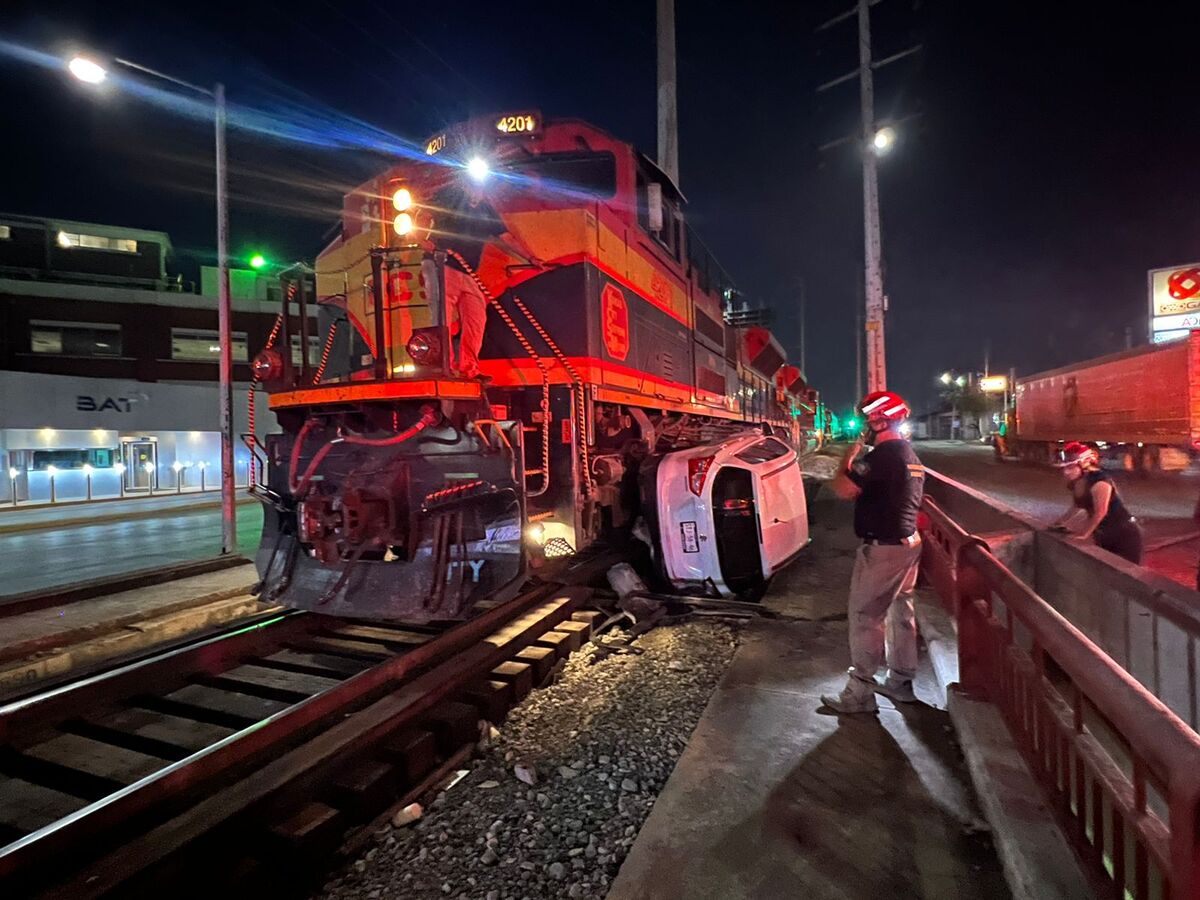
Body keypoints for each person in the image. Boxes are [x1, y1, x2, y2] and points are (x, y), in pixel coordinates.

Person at [821, 390, 926, 714]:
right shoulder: (909, 454)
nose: (866, 423)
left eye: (869, 418)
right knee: (900, 613)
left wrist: (848, 457)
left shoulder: (881, 457)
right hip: (908, 543)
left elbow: (842, 488)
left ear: (880, 419)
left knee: (866, 617)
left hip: (883, 550)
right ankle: (900, 682)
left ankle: (860, 694)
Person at [1049, 441, 1142, 564]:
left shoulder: (1100, 482)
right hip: (1103, 534)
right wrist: (1058, 523)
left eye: (1070, 468)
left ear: (1084, 465)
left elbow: (1100, 512)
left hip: (1124, 534)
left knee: (1126, 572)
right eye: (1064, 468)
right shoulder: (1077, 483)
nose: (1066, 472)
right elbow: (1077, 506)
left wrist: (1084, 534)